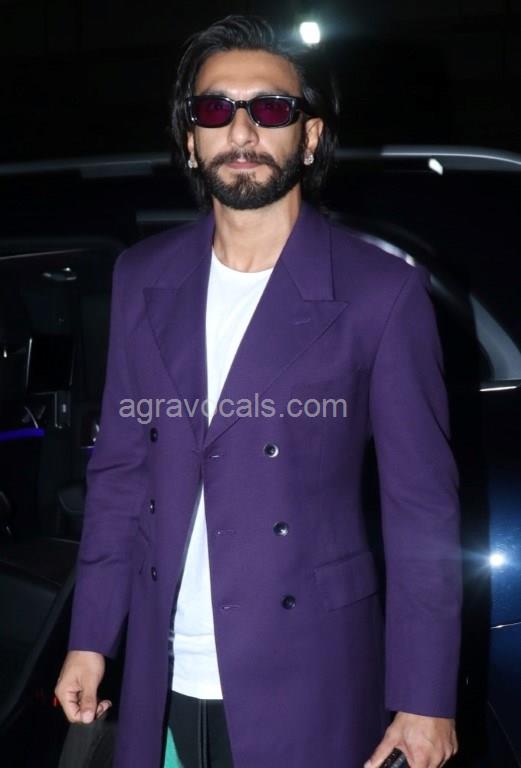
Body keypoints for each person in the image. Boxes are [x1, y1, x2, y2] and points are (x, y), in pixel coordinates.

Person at [55, 14, 463, 768]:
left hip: (311, 668)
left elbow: (421, 509)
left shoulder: (381, 291)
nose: (240, 130)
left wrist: (425, 698)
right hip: (161, 668)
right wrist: (91, 639)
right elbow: (119, 474)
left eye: (270, 109)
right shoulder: (143, 276)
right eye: (215, 109)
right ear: (189, 139)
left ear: (309, 137)